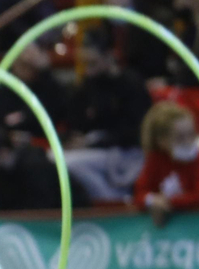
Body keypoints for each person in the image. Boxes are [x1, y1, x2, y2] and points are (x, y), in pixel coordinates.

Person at [63, 32, 153, 204]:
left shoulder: (131, 83)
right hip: (95, 150)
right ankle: (110, 198)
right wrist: (72, 139)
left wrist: (91, 142)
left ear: (109, 56)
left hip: (125, 151)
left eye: (93, 63)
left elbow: (135, 132)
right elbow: (74, 122)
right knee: (54, 158)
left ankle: (113, 201)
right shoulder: (87, 86)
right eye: (85, 64)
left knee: (67, 163)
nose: (88, 70)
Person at [133, 101, 199, 225]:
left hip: (197, 221)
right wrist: (152, 200)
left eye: (191, 134)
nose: (188, 142)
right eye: (180, 138)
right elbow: (139, 194)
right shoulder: (155, 159)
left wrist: (169, 202)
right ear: (161, 141)